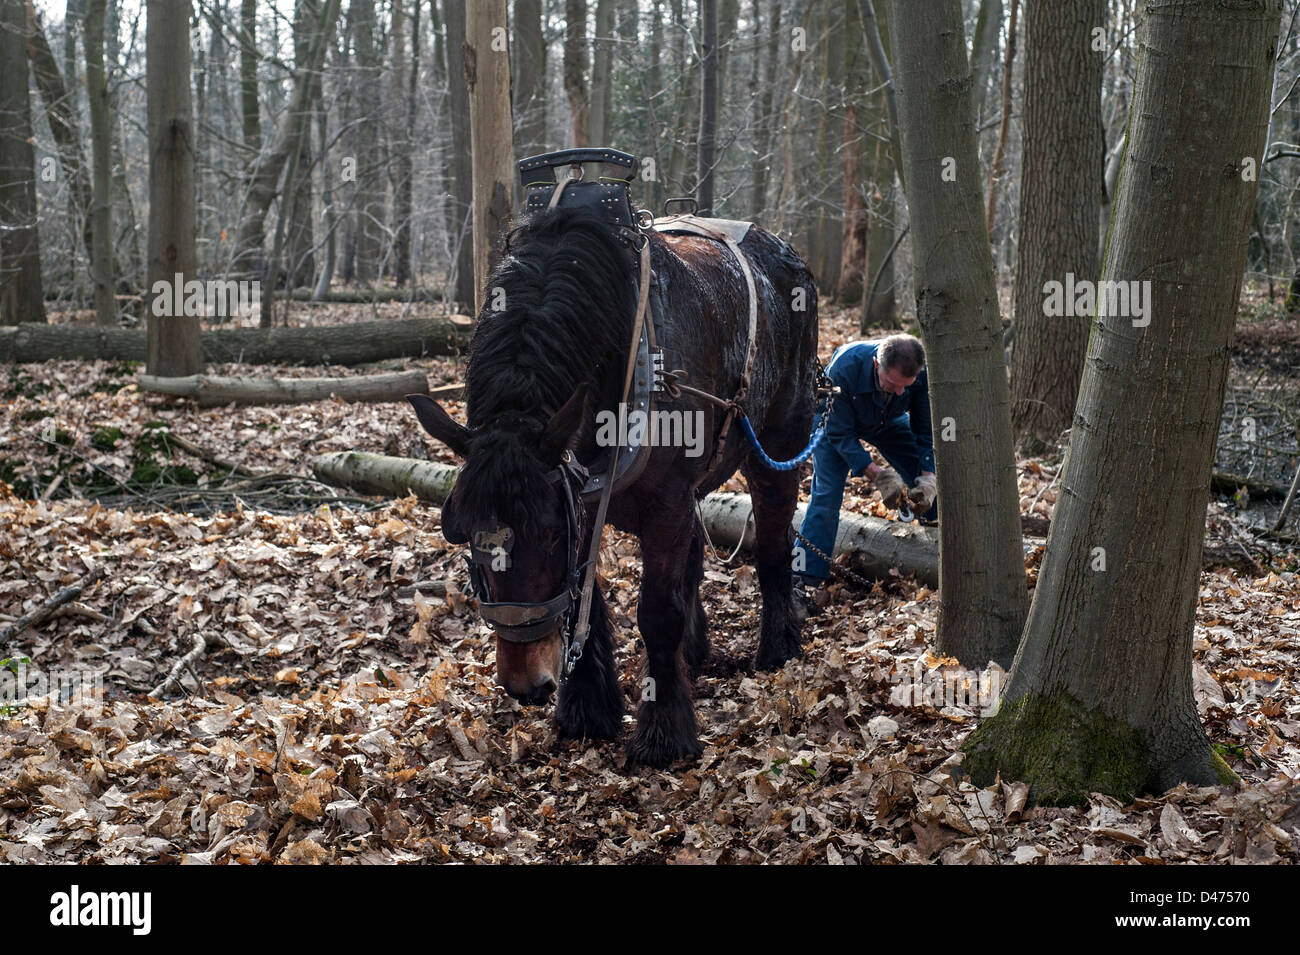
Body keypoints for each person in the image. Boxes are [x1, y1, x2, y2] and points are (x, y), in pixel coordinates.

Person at [794, 334, 937, 610]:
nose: (899, 392)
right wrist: (877, 474)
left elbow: (924, 430)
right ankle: (801, 580)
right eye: (891, 384)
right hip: (834, 423)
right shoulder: (843, 369)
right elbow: (840, 434)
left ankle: (934, 535)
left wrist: (928, 476)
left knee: (926, 479)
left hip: (886, 419)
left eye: (904, 388)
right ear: (876, 364)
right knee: (826, 496)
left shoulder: (919, 376)